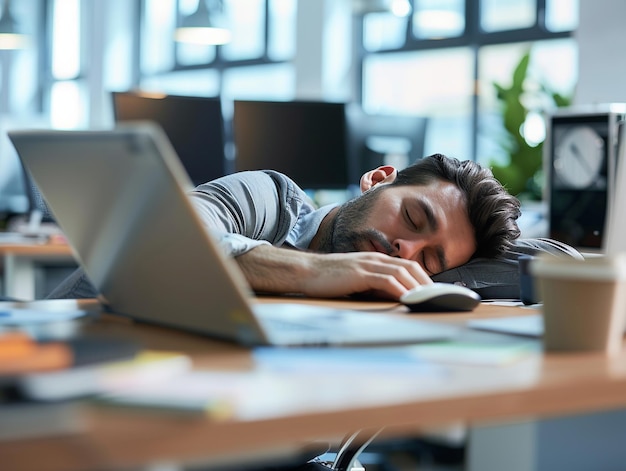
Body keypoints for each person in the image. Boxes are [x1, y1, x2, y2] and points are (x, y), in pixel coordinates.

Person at [47, 153, 580, 301]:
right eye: (414, 218)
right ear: (378, 180)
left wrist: (445, 275)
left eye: (431, 259)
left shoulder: (395, 278)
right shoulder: (269, 200)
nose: (405, 248)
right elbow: (153, 232)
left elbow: (554, 265)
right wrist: (312, 270)